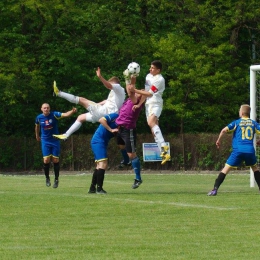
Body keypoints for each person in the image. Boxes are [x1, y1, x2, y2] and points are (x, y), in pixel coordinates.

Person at [52, 67, 125, 140]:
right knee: (80, 118)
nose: (110, 87)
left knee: (81, 100)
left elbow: (108, 85)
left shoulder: (119, 88)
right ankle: (66, 135)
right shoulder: (117, 95)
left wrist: (100, 77)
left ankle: (58, 93)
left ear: (115, 83)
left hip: (104, 112)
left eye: (111, 84)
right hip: (102, 114)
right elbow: (106, 101)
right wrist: (96, 104)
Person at [208, 104, 260, 196]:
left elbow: (224, 130)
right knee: (255, 169)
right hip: (250, 151)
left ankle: (215, 189)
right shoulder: (254, 123)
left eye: (239, 110)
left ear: (242, 113)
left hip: (238, 150)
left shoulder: (237, 122)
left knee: (225, 169)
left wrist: (218, 140)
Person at [128, 60, 170, 165]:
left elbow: (150, 93)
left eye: (152, 68)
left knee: (151, 122)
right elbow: (146, 94)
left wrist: (135, 90)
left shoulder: (160, 79)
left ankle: (165, 147)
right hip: (148, 104)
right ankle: (164, 152)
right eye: (150, 67)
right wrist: (139, 104)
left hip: (156, 103)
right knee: (153, 128)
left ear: (158, 70)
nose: (150, 69)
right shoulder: (148, 76)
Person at [35, 103, 77, 188]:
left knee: (55, 160)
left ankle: (56, 179)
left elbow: (65, 114)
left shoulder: (54, 115)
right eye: (44, 108)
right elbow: (37, 127)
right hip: (45, 140)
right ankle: (47, 178)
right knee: (46, 160)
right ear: (41, 109)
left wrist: (72, 111)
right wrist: (37, 135)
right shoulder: (39, 118)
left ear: (49, 109)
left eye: (47, 108)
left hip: (55, 140)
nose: (46, 109)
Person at [88, 113, 119, 194]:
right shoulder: (115, 115)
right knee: (103, 164)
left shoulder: (123, 123)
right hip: (98, 141)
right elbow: (101, 120)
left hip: (101, 142)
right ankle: (99, 189)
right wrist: (111, 130)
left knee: (99, 165)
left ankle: (92, 188)